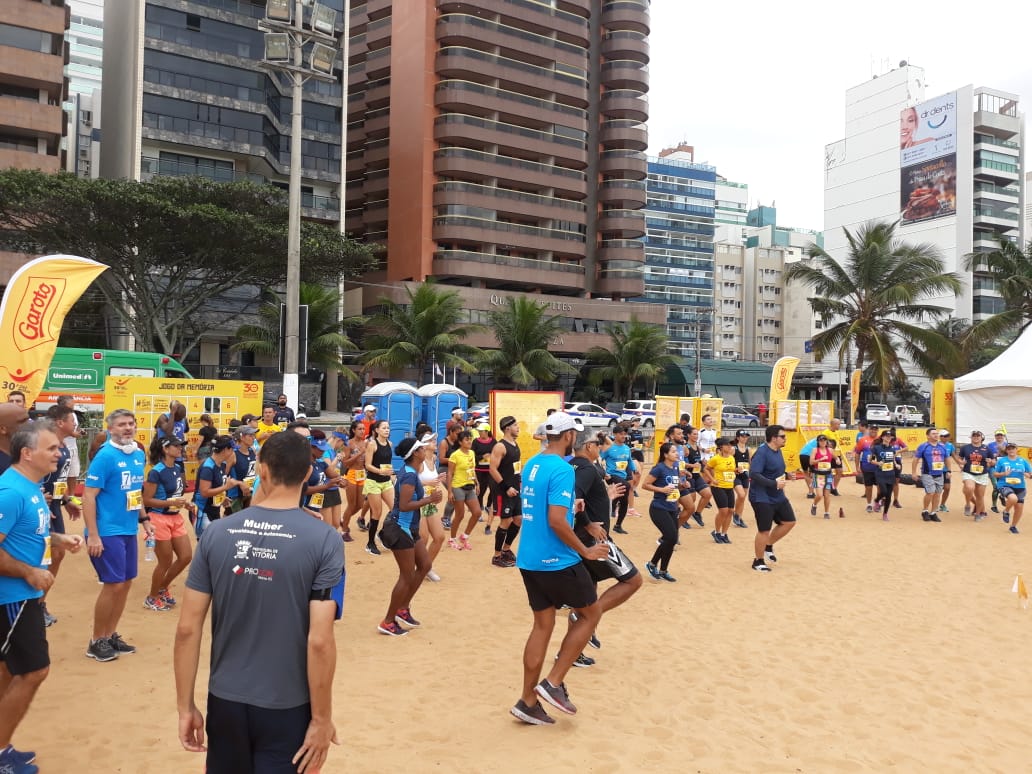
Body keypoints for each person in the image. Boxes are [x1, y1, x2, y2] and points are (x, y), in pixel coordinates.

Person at [174, 430, 344, 774]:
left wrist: (185, 707)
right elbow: (320, 640)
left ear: (261, 470)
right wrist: (322, 718)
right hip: (287, 703)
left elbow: (188, 629)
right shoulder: (325, 539)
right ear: (309, 473)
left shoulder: (218, 533)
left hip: (225, 700)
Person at [510, 412, 607, 726]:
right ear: (568, 437)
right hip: (556, 559)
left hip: (529, 557)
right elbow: (554, 520)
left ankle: (527, 701)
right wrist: (586, 551)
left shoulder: (532, 464)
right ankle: (553, 682)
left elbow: (545, 509)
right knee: (591, 613)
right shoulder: (563, 469)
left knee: (542, 625)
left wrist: (571, 508)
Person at [0, 421, 84, 774]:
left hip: (23, 595)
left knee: (7, 670)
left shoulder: (30, 486)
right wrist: (29, 571)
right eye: (51, 448)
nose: (59, 452)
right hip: (14, 597)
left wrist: (56, 539)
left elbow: (26, 530)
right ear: (27, 452)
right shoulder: (10, 490)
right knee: (35, 670)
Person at [565, 429, 642, 665]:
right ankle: (589, 615)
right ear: (588, 446)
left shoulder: (573, 466)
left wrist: (605, 496)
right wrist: (588, 524)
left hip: (581, 539)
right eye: (597, 444)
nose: (600, 448)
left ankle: (572, 652)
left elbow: (578, 498)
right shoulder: (587, 468)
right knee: (633, 580)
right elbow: (573, 498)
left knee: (587, 594)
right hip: (594, 541)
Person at [82, 409, 152, 662]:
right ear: (110, 429)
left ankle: (110, 635)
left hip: (127, 529)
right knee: (113, 585)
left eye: (131, 424)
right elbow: (88, 496)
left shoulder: (138, 455)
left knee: (126, 584)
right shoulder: (105, 456)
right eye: (121, 425)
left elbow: (135, 492)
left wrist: (144, 519)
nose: (127, 428)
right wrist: (93, 535)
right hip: (106, 531)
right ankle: (96, 641)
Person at [376, 438, 443, 636]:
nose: (425, 450)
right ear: (415, 454)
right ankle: (387, 621)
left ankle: (402, 609)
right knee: (406, 575)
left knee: (424, 565)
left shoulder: (411, 473)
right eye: (421, 448)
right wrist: (429, 499)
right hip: (400, 528)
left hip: (409, 528)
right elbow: (404, 505)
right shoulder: (409, 476)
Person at [38, 405, 81, 627]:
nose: (75, 423)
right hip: (43, 506)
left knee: (58, 554)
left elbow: (59, 479)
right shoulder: (44, 443)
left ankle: (40, 602)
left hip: (55, 503)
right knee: (44, 555)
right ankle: (33, 605)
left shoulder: (64, 444)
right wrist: (37, 499)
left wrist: (66, 501)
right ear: (59, 422)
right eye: (71, 419)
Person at [142, 436, 196, 612]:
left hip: (175, 517)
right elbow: (147, 500)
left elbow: (175, 496)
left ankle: (162, 588)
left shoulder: (178, 467)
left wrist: (184, 504)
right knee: (165, 562)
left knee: (186, 556)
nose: (180, 448)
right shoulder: (156, 471)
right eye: (176, 446)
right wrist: (172, 503)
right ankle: (151, 597)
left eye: (181, 445)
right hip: (158, 519)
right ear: (165, 449)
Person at [747, 425, 796, 573]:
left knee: (789, 521)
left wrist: (786, 474)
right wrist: (774, 483)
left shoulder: (778, 450)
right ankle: (758, 561)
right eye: (782, 436)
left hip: (777, 495)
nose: (785, 439)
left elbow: (775, 469)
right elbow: (754, 474)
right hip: (761, 496)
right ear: (774, 438)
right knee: (764, 530)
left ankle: (768, 545)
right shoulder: (762, 452)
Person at [642, 442, 682, 580]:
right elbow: (645, 485)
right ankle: (652, 564)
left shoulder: (675, 467)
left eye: (676, 451)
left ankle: (663, 570)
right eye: (673, 451)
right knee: (670, 537)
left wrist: (682, 486)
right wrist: (661, 490)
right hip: (658, 508)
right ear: (665, 454)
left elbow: (674, 487)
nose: (676, 453)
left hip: (672, 507)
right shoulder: (658, 468)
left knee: (672, 539)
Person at [489, 416, 522, 568]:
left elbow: (515, 467)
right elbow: (492, 469)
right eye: (515, 425)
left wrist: (519, 481)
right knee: (506, 521)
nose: (518, 427)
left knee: (518, 519)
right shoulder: (500, 447)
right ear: (507, 428)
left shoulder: (515, 444)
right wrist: (506, 487)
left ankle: (506, 549)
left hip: (515, 489)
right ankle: (497, 556)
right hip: (503, 490)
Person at [193, 437, 239, 538]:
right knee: (206, 546)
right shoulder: (208, 467)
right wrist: (225, 487)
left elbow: (214, 487)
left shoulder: (221, 464)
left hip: (214, 510)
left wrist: (222, 498)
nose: (233, 452)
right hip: (203, 511)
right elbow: (204, 492)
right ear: (225, 450)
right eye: (232, 449)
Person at [362, 420, 395, 556]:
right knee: (377, 513)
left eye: (388, 428)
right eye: (384, 428)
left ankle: (382, 534)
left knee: (396, 509)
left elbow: (387, 462)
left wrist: (390, 473)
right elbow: (368, 465)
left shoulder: (390, 443)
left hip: (386, 481)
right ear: (377, 430)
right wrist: (381, 471)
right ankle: (370, 543)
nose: (387, 430)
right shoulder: (372, 444)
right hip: (373, 482)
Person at [446, 430, 481, 550]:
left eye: (470, 439)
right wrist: (450, 491)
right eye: (466, 439)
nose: (469, 441)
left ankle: (464, 536)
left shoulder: (471, 453)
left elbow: (472, 469)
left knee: (477, 513)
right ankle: (452, 539)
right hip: (458, 487)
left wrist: (477, 483)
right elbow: (449, 473)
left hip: (470, 486)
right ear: (460, 442)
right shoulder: (455, 455)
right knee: (459, 515)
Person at [600, 424, 637, 535]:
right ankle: (613, 504)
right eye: (621, 434)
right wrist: (604, 472)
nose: (623, 436)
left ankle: (618, 525)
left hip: (622, 477)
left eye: (624, 434)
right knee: (627, 486)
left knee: (624, 500)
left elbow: (629, 461)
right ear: (615, 434)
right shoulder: (609, 448)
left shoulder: (626, 448)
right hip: (611, 476)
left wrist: (634, 470)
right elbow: (598, 459)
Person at [703, 437, 738, 541]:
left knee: (731, 510)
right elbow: (706, 469)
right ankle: (717, 532)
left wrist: (737, 471)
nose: (730, 446)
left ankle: (724, 534)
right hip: (718, 487)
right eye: (727, 445)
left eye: (731, 445)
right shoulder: (716, 459)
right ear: (721, 447)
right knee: (723, 510)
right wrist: (712, 479)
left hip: (729, 486)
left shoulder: (732, 458)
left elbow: (732, 471)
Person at [993, 443, 1032, 534]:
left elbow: (1030, 474)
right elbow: (995, 474)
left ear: (1016, 449)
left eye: (1013, 448)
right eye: (1009, 449)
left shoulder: (1023, 461)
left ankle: (1013, 526)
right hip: (1004, 485)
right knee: (1013, 498)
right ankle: (1006, 511)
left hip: (1020, 486)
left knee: (1019, 508)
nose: (1011, 450)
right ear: (1006, 450)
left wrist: (1028, 475)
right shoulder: (1002, 461)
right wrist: (1003, 474)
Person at [912, 428, 949, 522]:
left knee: (937, 493)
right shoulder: (923, 446)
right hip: (927, 473)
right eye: (933, 434)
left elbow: (947, 459)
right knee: (930, 492)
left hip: (939, 473)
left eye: (937, 433)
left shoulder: (942, 446)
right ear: (928, 436)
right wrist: (914, 472)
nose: (936, 435)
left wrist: (949, 471)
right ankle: (925, 510)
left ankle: (933, 512)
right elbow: (916, 459)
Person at [955, 430, 993, 522]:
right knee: (969, 487)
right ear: (971, 437)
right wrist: (960, 463)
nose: (976, 437)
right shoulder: (965, 448)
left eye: (978, 436)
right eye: (974, 436)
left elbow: (993, 461)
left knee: (980, 496)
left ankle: (978, 513)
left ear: (981, 438)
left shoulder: (987, 448)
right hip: (968, 472)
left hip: (982, 473)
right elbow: (959, 458)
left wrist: (991, 462)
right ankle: (968, 504)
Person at [340, 423, 368, 543]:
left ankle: (344, 519)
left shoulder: (365, 443)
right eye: (359, 429)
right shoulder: (349, 443)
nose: (362, 431)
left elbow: (367, 461)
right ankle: (345, 530)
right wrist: (360, 454)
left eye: (363, 429)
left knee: (360, 504)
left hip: (362, 474)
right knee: (351, 505)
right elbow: (346, 463)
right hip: (351, 474)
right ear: (354, 430)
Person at [869, 430, 901, 521]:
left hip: (890, 474)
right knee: (883, 491)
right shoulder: (876, 448)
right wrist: (878, 463)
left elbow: (893, 459)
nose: (888, 437)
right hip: (880, 473)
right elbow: (870, 460)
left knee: (889, 495)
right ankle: (876, 500)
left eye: (890, 436)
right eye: (886, 436)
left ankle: (885, 514)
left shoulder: (892, 448)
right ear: (882, 437)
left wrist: (896, 465)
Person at [472, 423, 496, 534]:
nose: (479, 432)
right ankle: (479, 512)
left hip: (491, 470)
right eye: (479, 431)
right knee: (480, 492)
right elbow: (472, 456)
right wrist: (482, 456)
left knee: (493, 490)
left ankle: (488, 506)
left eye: (481, 431)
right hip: (479, 470)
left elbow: (497, 454)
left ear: (486, 431)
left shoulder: (493, 442)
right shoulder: (476, 442)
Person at [808, 435, 835, 520]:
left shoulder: (830, 450)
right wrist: (820, 460)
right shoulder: (815, 450)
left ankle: (826, 512)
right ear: (818, 442)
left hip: (828, 475)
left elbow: (836, 457)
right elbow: (811, 462)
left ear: (827, 441)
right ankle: (814, 505)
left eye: (824, 440)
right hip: (818, 475)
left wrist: (837, 460)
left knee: (827, 495)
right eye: (821, 440)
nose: (822, 442)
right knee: (819, 495)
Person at [0, 404, 31, 475]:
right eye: (22, 422)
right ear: (3, 429)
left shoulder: (27, 453)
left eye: (28, 420)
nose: (29, 425)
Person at [732, 429, 751, 529]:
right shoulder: (733, 449)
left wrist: (751, 473)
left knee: (743, 498)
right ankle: (736, 514)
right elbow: (728, 461)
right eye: (743, 436)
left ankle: (739, 516)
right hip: (736, 475)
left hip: (745, 475)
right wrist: (734, 469)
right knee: (741, 494)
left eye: (746, 436)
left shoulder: (748, 449)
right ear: (738, 437)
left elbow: (750, 462)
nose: (745, 438)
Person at [938, 429, 955, 513]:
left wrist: (961, 464)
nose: (945, 437)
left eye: (947, 436)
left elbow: (954, 456)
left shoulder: (950, 445)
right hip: (936, 470)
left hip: (946, 470)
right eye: (943, 436)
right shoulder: (935, 445)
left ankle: (942, 504)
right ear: (940, 437)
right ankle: (935, 504)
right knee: (937, 488)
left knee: (947, 488)